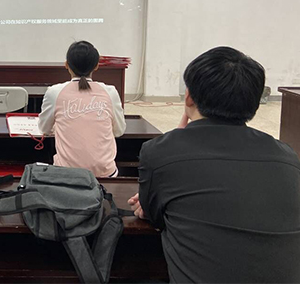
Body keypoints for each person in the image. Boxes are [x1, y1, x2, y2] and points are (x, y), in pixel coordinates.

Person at [128, 46, 300, 283]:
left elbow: (154, 215)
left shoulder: (158, 152)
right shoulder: (287, 157)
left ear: (189, 96)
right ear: (255, 104)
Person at [38, 40, 126, 177]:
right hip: (106, 175)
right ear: (96, 66)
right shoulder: (110, 92)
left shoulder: (54, 92)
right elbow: (119, 131)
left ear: (66, 65)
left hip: (67, 176)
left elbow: (44, 129)